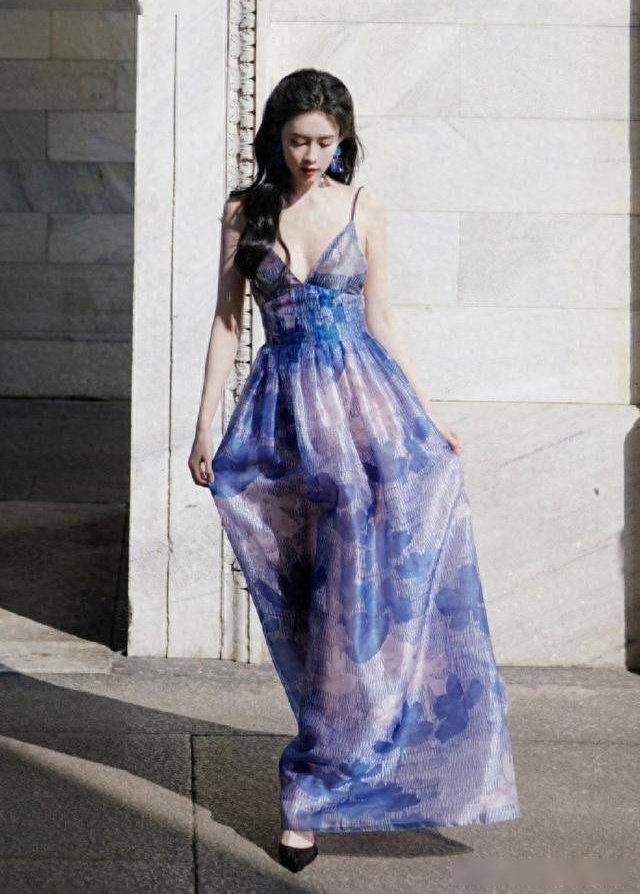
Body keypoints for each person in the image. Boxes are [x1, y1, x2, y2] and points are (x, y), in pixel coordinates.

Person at [188, 68, 521, 873]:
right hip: (283, 424)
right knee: (306, 605)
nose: (310, 155)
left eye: (324, 142)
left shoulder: (364, 206)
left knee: (361, 603)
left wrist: (428, 413)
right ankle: (321, 773)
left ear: (343, 141)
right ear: (274, 137)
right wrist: (204, 426)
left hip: (365, 414)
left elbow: (382, 316)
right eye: (297, 140)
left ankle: (320, 788)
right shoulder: (245, 210)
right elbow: (228, 323)